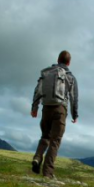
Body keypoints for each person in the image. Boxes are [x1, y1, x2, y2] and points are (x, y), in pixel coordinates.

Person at [31, 50, 79, 179]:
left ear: (58, 60)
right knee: (55, 141)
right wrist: (75, 115)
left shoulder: (46, 73)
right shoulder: (69, 76)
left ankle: (37, 158)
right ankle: (48, 173)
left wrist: (34, 107)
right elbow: (74, 97)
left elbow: (38, 90)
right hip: (60, 109)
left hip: (46, 108)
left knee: (45, 136)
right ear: (69, 62)